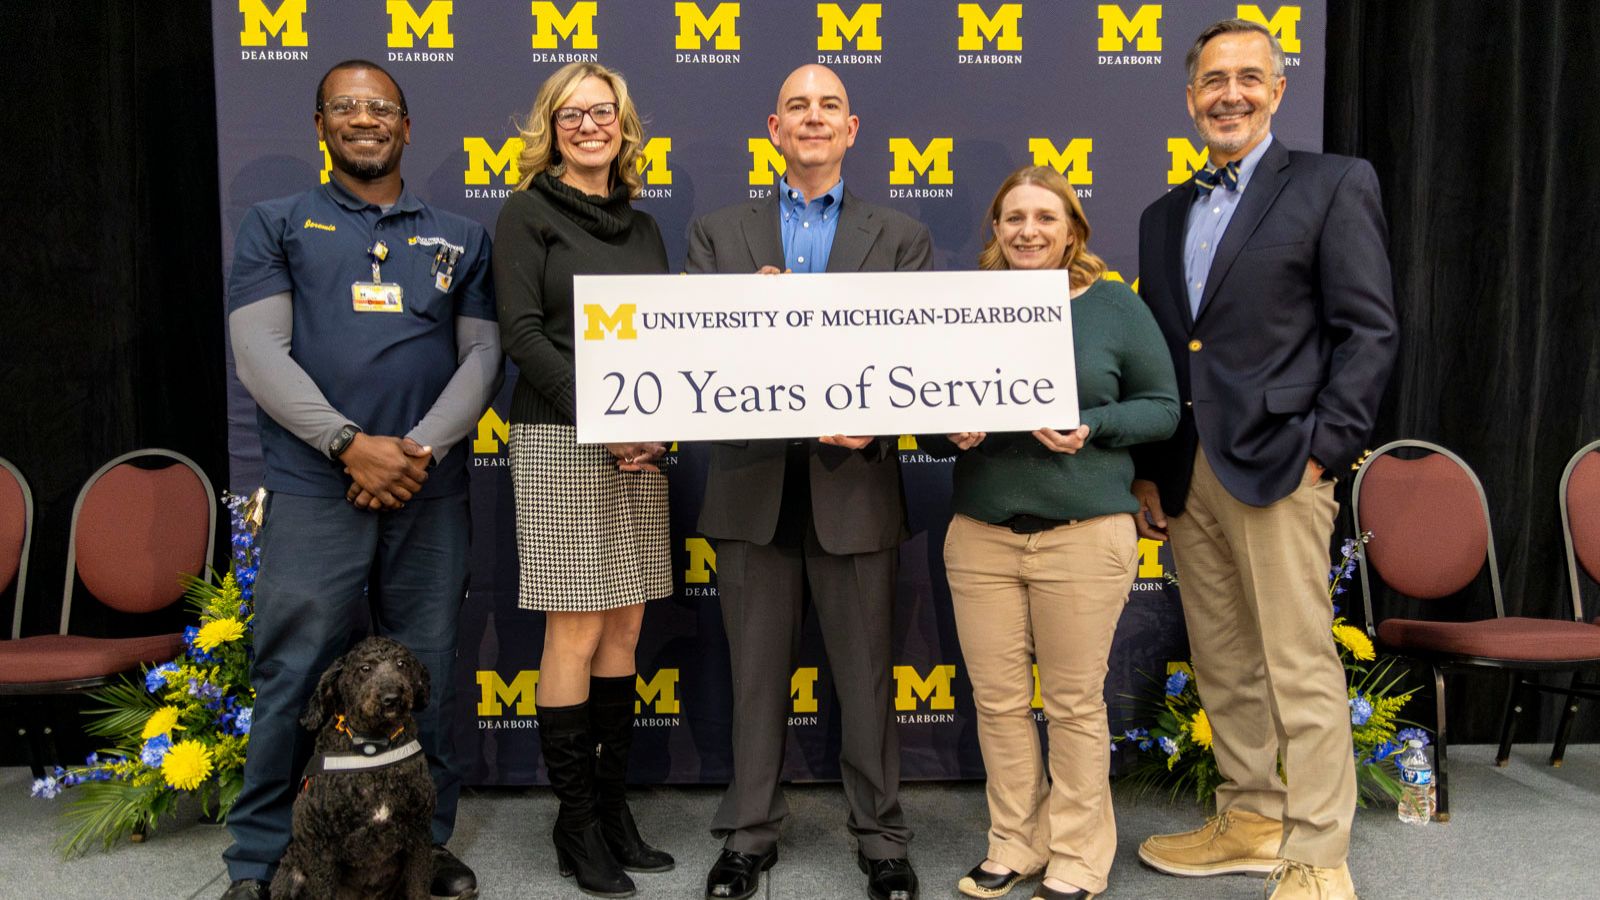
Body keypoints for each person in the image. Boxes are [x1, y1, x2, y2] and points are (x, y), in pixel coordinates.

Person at [1129, 19, 1398, 900]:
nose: (1230, 94)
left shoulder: (1330, 184)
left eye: (1250, 78)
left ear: (1278, 92)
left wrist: (1327, 450)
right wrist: (1149, 470)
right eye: (1213, 80)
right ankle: (1250, 817)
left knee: (1299, 663)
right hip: (1187, 472)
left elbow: (1369, 330)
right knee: (1223, 659)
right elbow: (1173, 349)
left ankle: (1319, 852)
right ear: (1190, 97)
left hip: (1286, 463)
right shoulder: (1162, 213)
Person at [222, 59, 501, 900]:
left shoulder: (462, 235)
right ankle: (262, 857)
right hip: (315, 487)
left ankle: (425, 841)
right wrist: (349, 445)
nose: (364, 117)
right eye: (344, 106)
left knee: (430, 671)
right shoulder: (275, 224)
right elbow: (259, 352)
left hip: (428, 487)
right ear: (321, 126)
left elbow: (484, 356)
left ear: (407, 126)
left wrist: (411, 452)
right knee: (293, 673)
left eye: (381, 106)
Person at [685, 64, 931, 900]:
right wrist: (733, 316)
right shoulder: (718, 236)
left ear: (852, 129)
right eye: (799, 107)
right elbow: (691, 361)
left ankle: (883, 838)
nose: (814, 118)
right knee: (754, 680)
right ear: (774, 128)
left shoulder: (898, 237)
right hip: (752, 484)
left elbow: (919, 364)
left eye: (829, 106)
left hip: (854, 482)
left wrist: (883, 416)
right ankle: (748, 835)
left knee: (866, 680)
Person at [926, 166, 1177, 900]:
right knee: (998, 703)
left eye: (1044, 217)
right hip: (982, 535)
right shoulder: (967, 307)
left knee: (1073, 704)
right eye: (1013, 218)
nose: (1028, 231)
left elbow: (1162, 406)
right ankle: (1015, 843)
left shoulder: (1113, 307)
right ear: (995, 231)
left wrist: (1092, 426)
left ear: (1073, 231)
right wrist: (951, 432)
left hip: (1084, 533)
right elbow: (929, 414)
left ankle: (1078, 855)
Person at [492, 61, 673, 900]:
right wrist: (605, 416)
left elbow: (664, 341)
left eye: (603, 112)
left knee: (625, 631)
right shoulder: (526, 212)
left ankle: (610, 808)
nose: (589, 125)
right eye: (572, 115)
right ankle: (573, 822)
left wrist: (657, 422)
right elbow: (522, 334)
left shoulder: (642, 226)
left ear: (624, 124)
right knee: (574, 630)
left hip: (640, 440)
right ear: (551, 126)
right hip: (563, 436)